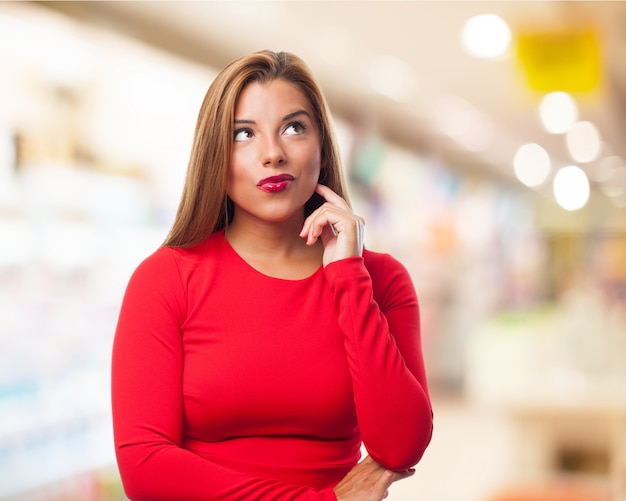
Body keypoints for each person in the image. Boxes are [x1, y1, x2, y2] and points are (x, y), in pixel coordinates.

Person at [111, 50, 433, 501]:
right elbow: (144, 467)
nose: (273, 154)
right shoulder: (166, 279)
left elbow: (400, 445)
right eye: (244, 134)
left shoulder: (380, 279)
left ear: (322, 149)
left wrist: (348, 276)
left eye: (294, 127)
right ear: (215, 158)